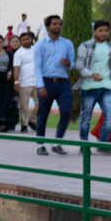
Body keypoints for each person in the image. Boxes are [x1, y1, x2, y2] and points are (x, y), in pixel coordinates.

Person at [32, 14, 74, 155]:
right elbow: (37, 67)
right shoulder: (40, 44)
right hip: (46, 82)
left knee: (66, 110)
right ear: (48, 26)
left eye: (59, 24)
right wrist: (40, 85)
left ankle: (58, 142)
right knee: (43, 114)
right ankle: (40, 145)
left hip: (63, 83)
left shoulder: (67, 43)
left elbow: (73, 64)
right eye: (54, 24)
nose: (57, 26)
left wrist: (69, 64)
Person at [76, 20, 111, 145]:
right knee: (86, 118)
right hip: (89, 88)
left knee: (110, 114)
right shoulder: (85, 46)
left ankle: (102, 143)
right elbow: (79, 66)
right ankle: (84, 144)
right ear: (94, 32)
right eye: (100, 31)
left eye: (106, 31)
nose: (104, 33)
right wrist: (91, 74)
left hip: (107, 87)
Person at [11, 32, 38, 132]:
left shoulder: (36, 49)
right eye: (23, 40)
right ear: (21, 42)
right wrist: (16, 82)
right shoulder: (19, 53)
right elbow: (16, 68)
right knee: (24, 106)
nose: (26, 41)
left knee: (40, 104)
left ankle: (32, 120)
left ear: (31, 39)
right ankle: (24, 125)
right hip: (24, 83)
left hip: (37, 82)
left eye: (27, 39)